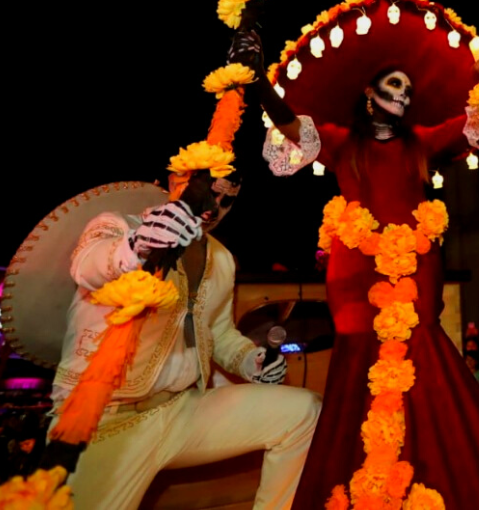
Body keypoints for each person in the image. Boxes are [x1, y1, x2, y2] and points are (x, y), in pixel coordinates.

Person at [247, 24, 479, 508]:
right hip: (355, 273)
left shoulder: (420, 142)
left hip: (416, 267)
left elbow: (478, 114)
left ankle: (430, 479)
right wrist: (258, 79)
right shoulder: (342, 141)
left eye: (409, 88)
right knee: (360, 368)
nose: (405, 95)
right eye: (394, 85)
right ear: (369, 93)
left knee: (421, 360)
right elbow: (287, 124)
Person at [54, 175, 321, 510]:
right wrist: (140, 245)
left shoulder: (221, 258)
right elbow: (87, 267)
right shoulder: (119, 226)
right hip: (105, 418)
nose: (215, 208)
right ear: (176, 181)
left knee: (304, 412)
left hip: (181, 411)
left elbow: (219, 332)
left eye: (227, 201)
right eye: (209, 193)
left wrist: (251, 361)